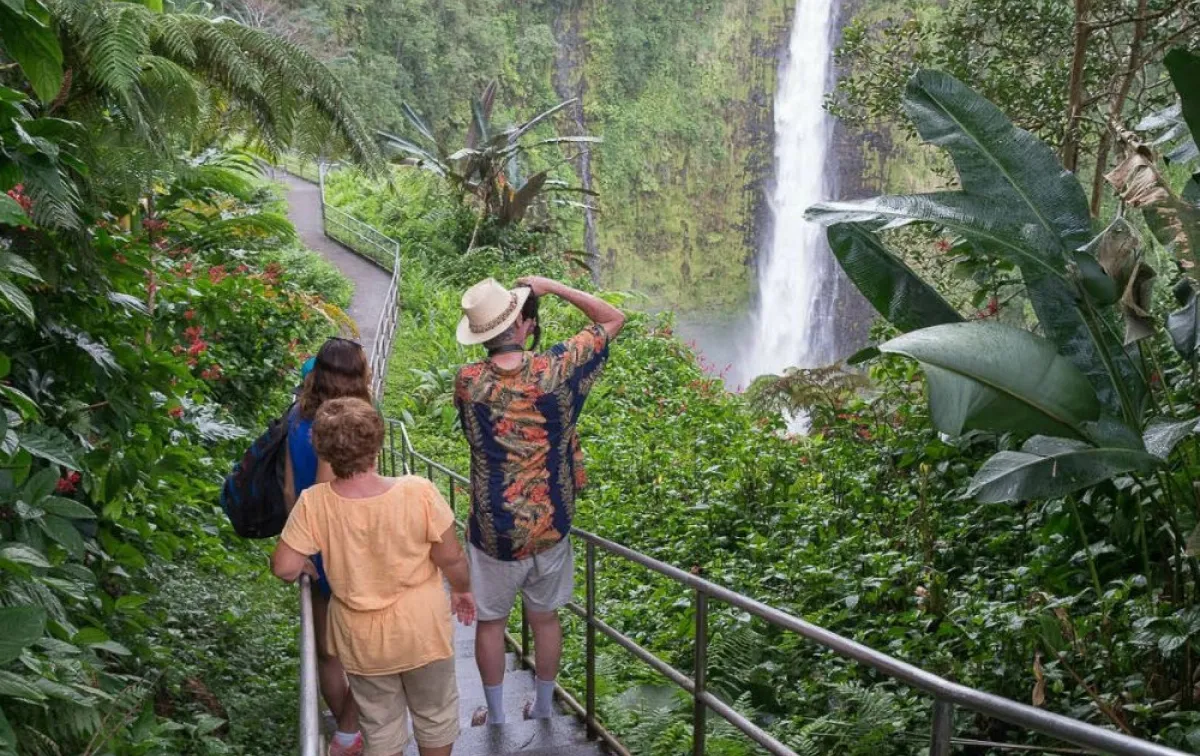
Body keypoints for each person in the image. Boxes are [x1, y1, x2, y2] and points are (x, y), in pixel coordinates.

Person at [453, 275, 625, 725]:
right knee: (545, 620)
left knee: (491, 624)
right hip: (550, 525)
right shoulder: (556, 368)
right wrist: (554, 287)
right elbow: (613, 317)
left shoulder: (468, 382)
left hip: (494, 530)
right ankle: (544, 708)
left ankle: (495, 717)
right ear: (522, 325)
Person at [272, 397, 476, 756]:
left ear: (324, 450)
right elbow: (451, 557)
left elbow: (285, 567)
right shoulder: (418, 491)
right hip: (421, 631)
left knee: (379, 724)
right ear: (377, 442)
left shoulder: (315, 503)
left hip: (362, 640)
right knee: (435, 713)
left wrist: (306, 564)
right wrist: (461, 591)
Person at [283, 337, 370, 755]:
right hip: (346, 546)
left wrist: (302, 545)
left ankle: (347, 730)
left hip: (311, 547)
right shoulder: (348, 423)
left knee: (327, 651)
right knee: (366, 644)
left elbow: (289, 489)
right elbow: (326, 490)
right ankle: (350, 730)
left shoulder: (296, 418)